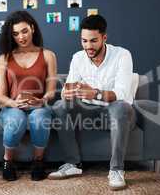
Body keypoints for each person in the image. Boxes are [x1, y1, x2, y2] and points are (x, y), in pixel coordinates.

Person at [48, 15, 135, 191]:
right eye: (84, 41)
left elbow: (122, 94)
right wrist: (68, 92)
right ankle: (73, 164)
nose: (88, 46)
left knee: (120, 106)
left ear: (104, 37)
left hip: (116, 110)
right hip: (87, 109)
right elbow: (68, 88)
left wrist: (94, 92)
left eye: (93, 41)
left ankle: (116, 170)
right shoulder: (78, 57)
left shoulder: (122, 55)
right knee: (59, 106)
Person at [0, 10, 57, 181]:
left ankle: (38, 162)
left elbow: (51, 90)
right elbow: (1, 96)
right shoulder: (5, 58)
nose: (21, 37)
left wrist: (42, 100)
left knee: (39, 117)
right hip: (12, 108)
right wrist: (15, 104)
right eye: (15, 34)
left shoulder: (48, 55)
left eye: (24, 31)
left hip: (38, 106)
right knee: (17, 118)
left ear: (32, 28)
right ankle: (8, 160)